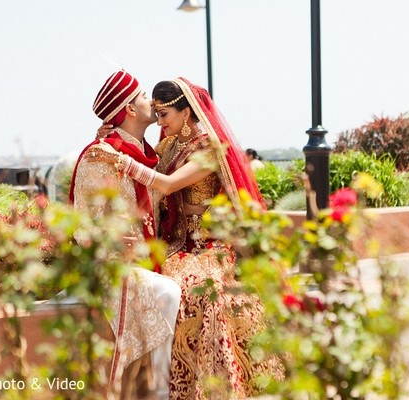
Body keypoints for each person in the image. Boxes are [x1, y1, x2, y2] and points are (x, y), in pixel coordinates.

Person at [88, 77, 281, 399]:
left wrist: (122, 161)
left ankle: (213, 385)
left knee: (201, 294)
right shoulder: (167, 146)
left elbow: (166, 184)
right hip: (173, 243)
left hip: (207, 244)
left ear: (186, 111)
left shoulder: (210, 149)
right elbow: (143, 170)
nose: (160, 122)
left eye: (164, 114)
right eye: (158, 114)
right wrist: (111, 142)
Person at [69, 70, 181, 400]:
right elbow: (80, 224)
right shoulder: (100, 155)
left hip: (146, 259)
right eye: (144, 96)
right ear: (130, 109)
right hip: (111, 265)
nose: (152, 102)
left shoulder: (147, 153)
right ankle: (157, 392)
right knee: (167, 292)